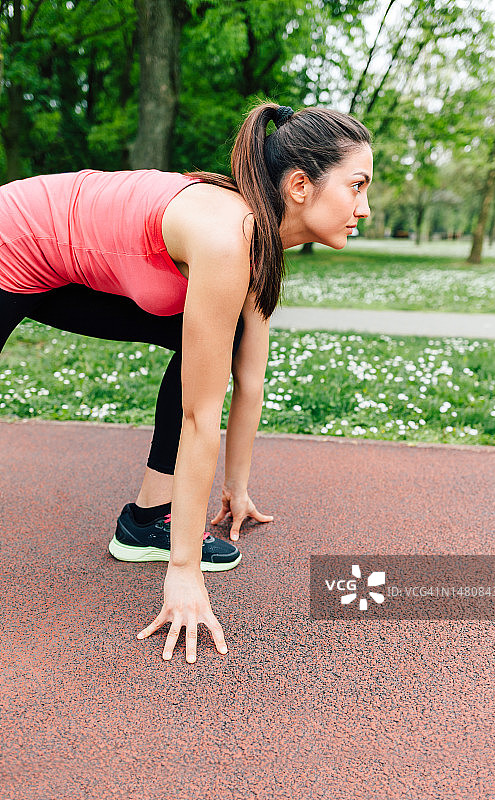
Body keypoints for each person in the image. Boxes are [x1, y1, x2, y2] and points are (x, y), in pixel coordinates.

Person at [0, 101, 373, 663]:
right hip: (12, 236)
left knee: (207, 341)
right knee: (201, 354)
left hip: (66, 260)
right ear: (300, 185)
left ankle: (148, 518)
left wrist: (238, 491)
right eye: (357, 186)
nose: (364, 209)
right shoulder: (229, 240)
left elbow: (249, 380)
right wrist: (184, 573)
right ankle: (163, 541)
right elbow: (201, 417)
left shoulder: (259, 244)